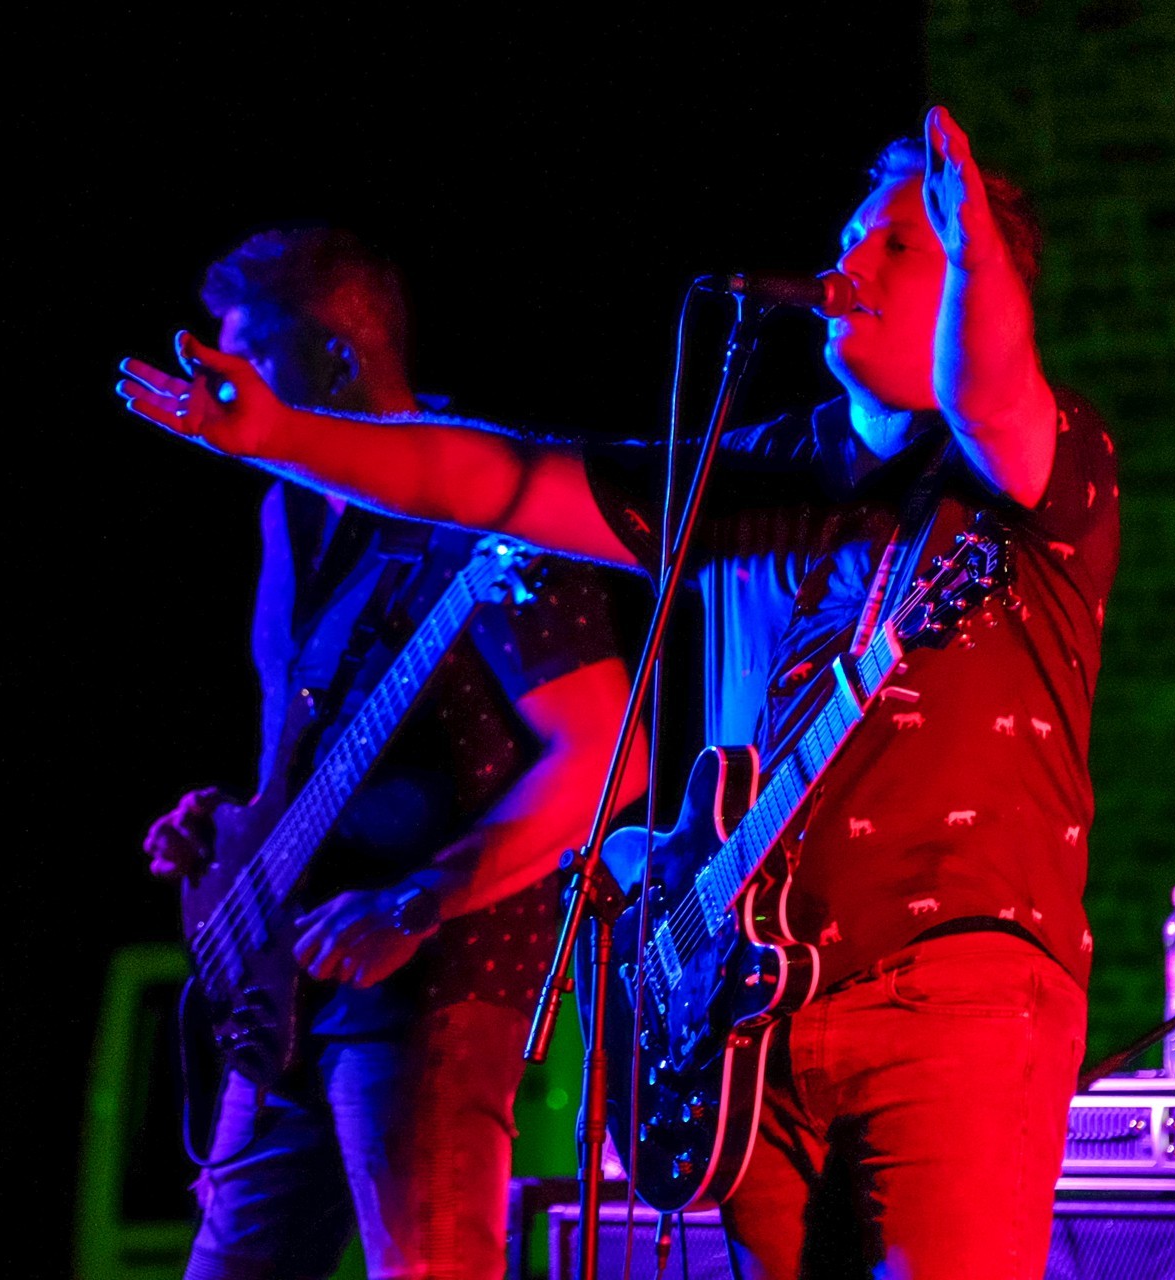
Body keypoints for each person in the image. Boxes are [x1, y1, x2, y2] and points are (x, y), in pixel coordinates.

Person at [120, 107, 1119, 1280]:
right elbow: (496, 478)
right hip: (749, 1013)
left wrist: (978, 249)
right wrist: (283, 434)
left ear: (976, 292)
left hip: (950, 994)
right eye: (855, 233)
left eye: (904, 242)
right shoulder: (750, 473)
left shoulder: (1035, 465)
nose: (854, 256)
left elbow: (991, 383)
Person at [122, 227, 646, 1280]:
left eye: (247, 356)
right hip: (284, 976)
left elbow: (608, 755)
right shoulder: (286, 511)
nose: (220, 381)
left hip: (435, 979)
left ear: (336, 361)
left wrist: (415, 901)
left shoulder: (479, 501)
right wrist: (234, 834)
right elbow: (301, 756)